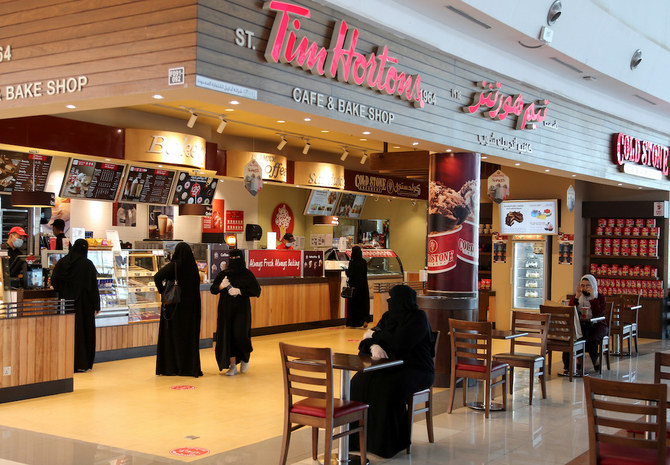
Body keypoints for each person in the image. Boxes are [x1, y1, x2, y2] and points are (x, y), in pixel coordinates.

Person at [350, 284, 435, 458]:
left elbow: (400, 342)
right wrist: (374, 344)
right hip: (389, 366)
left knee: (387, 388)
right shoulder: (388, 317)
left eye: (393, 300)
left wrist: (374, 337)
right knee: (358, 382)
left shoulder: (418, 318)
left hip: (416, 368)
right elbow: (364, 344)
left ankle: (387, 443)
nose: (390, 303)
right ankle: (358, 438)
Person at [153, 242, 203, 377]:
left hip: (174, 308)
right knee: (187, 339)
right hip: (190, 310)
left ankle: (171, 367)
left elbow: (157, 277)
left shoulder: (174, 265)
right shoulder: (193, 268)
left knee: (172, 338)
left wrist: (162, 291)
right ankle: (187, 368)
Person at [51, 239, 100, 372]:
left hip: (66, 305)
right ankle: (82, 363)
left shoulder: (63, 262)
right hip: (84, 305)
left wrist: (64, 293)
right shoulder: (87, 264)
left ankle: (68, 361)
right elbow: (92, 287)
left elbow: (54, 281)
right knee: (84, 333)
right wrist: (97, 305)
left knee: (69, 333)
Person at [210, 249, 261, 375]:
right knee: (229, 336)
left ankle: (244, 357)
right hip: (226, 310)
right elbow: (213, 290)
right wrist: (221, 286)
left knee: (241, 334)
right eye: (231, 258)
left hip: (242, 310)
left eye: (236, 257)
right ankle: (232, 365)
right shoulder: (223, 274)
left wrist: (240, 291)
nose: (234, 260)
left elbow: (256, 290)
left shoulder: (247, 274)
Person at [564, 274, 608, 373]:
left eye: (587, 285)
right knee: (575, 337)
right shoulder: (580, 297)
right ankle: (572, 365)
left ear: (593, 285)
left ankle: (595, 361)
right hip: (583, 324)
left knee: (591, 338)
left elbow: (599, 313)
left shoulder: (599, 297)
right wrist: (576, 296)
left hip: (599, 325)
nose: (585, 288)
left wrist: (593, 299)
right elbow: (572, 311)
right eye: (582, 285)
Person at [345, 245, 370, 327]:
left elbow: (349, 274)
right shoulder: (363, 262)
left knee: (354, 305)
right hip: (363, 286)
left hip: (354, 287)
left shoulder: (352, 262)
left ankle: (354, 322)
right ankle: (363, 320)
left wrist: (346, 270)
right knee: (363, 304)